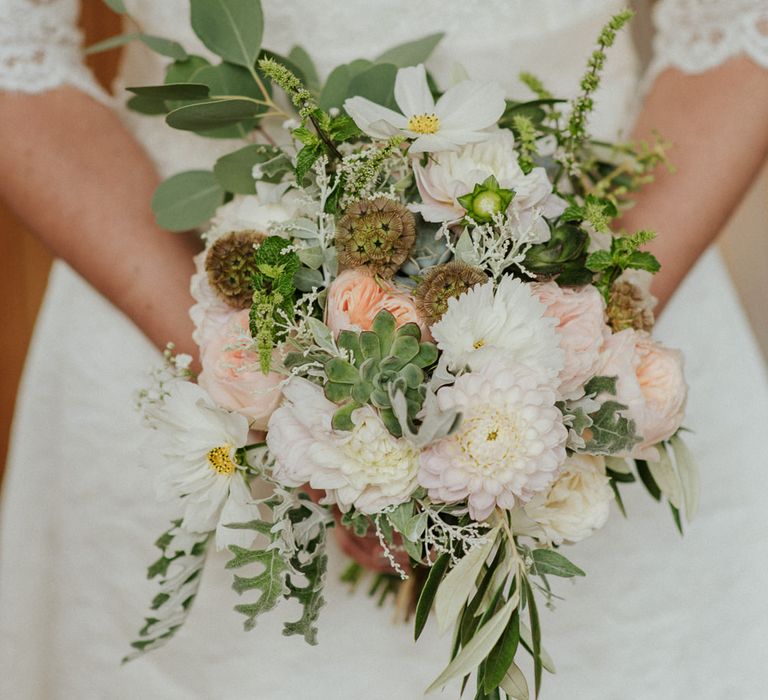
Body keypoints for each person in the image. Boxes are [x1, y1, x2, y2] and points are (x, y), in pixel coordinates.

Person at [1, 1, 767, 698]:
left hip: (616, 290)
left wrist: (574, 352)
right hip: (170, 311)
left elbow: (742, 29)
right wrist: (273, 387)